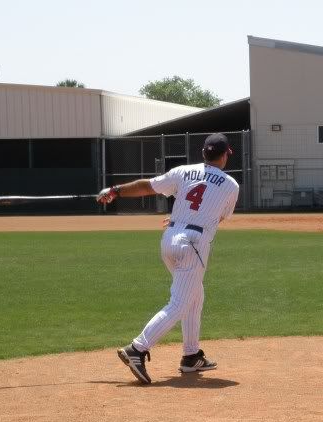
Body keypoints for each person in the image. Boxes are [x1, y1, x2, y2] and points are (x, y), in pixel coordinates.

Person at [97, 133, 240, 384]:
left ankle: (191, 356)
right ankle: (137, 349)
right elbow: (215, 216)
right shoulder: (230, 185)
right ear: (225, 154)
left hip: (170, 238)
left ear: (204, 153)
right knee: (180, 303)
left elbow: (147, 185)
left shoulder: (183, 171)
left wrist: (115, 190)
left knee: (195, 295)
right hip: (192, 244)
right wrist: (189, 221)